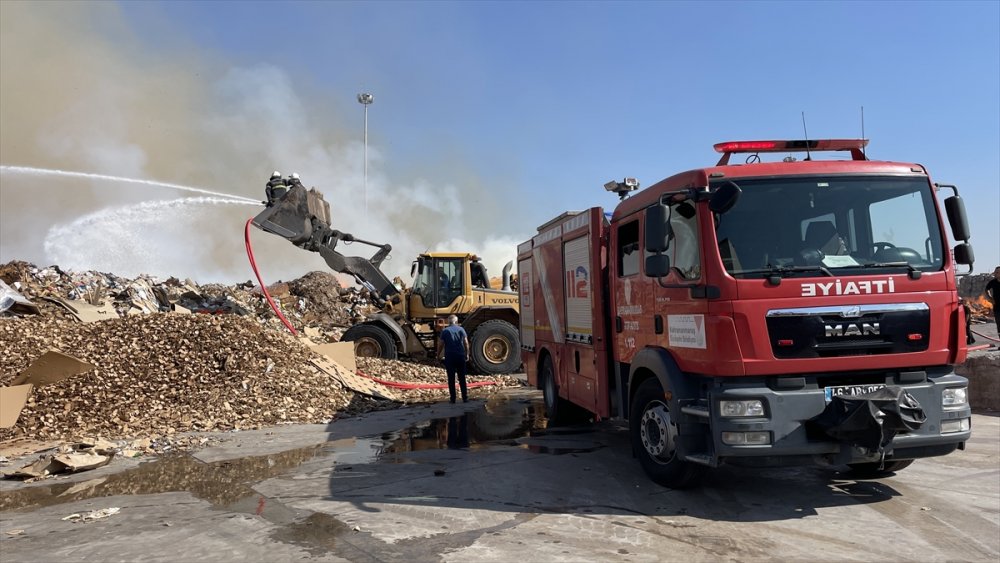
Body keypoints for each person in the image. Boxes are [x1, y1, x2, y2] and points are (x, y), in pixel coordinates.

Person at [437, 314, 470, 403]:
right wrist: (467, 354)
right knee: (462, 377)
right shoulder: (461, 329)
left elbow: (441, 344)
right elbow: (466, 343)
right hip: (460, 356)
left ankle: (453, 399)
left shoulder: (445, 331)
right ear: (456, 321)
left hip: (450, 357)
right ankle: (465, 397)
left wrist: (438, 355)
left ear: (448, 322)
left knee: (451, 378)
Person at [984, 266, 1000, 335]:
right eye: (996, 272)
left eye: (998, 272)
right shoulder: (993, 282)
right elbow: (986, 289)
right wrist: (990, 297)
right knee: (999, 326)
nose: (996, 273)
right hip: (997, 308)